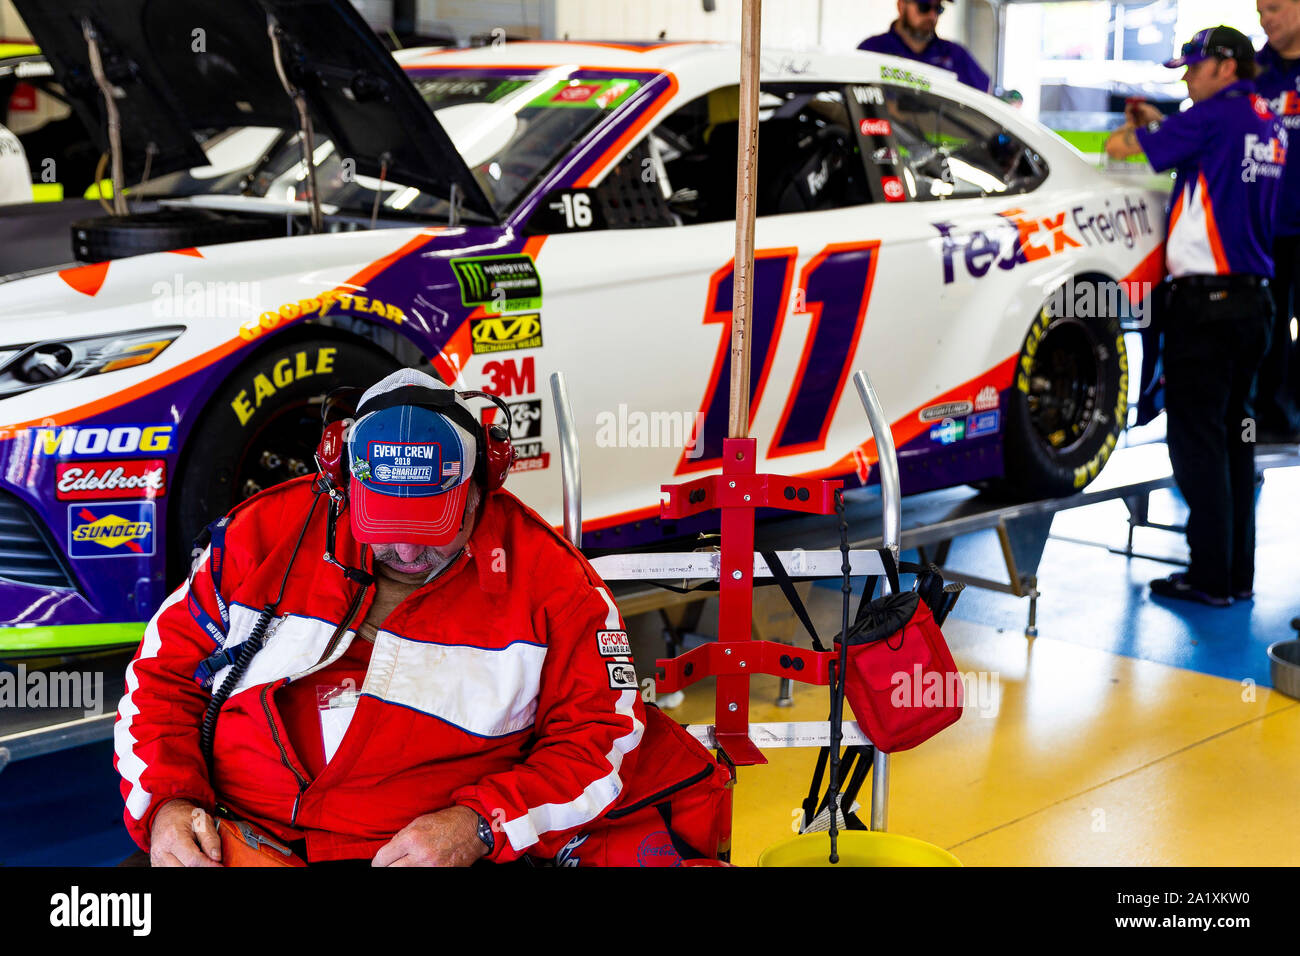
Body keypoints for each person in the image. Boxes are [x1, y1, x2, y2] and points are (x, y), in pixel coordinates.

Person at [115, 368, 648, 865]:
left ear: (483, 487)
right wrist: (167, 805)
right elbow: (160, 679)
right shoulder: (260, 536)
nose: (409, 555)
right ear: (343, 485)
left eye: (431, 528)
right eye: (386, 526)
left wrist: (481, 825)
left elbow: (600, 739)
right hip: (234, 838)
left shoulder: (555, 584)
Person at [1105, 26, 1285, 607]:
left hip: (1206, 311)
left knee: (1197, 442)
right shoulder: (1268, 120)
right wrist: (1160, 120)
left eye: (1193, 67)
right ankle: (1236, 576)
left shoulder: (1213, 117)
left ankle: (1208, 578)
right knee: (1238, 439)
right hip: (1257, 304)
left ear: (1227, 67)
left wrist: (1141, 127)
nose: (1186, 77)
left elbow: (1122, 149)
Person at [1255, 0, 1300, 442]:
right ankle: (1271, 416)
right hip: (1266, 228)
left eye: (1275, 8)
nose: (1267, 19)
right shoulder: (1253, 71)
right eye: (1260, 11)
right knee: (1266, 326)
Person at [858, 0, 991, 94]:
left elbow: (988, 96)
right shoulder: (872, 50)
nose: (932, 16)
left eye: (938, 8)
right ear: (901, 5)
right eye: (924, 7)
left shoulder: (956, 54)